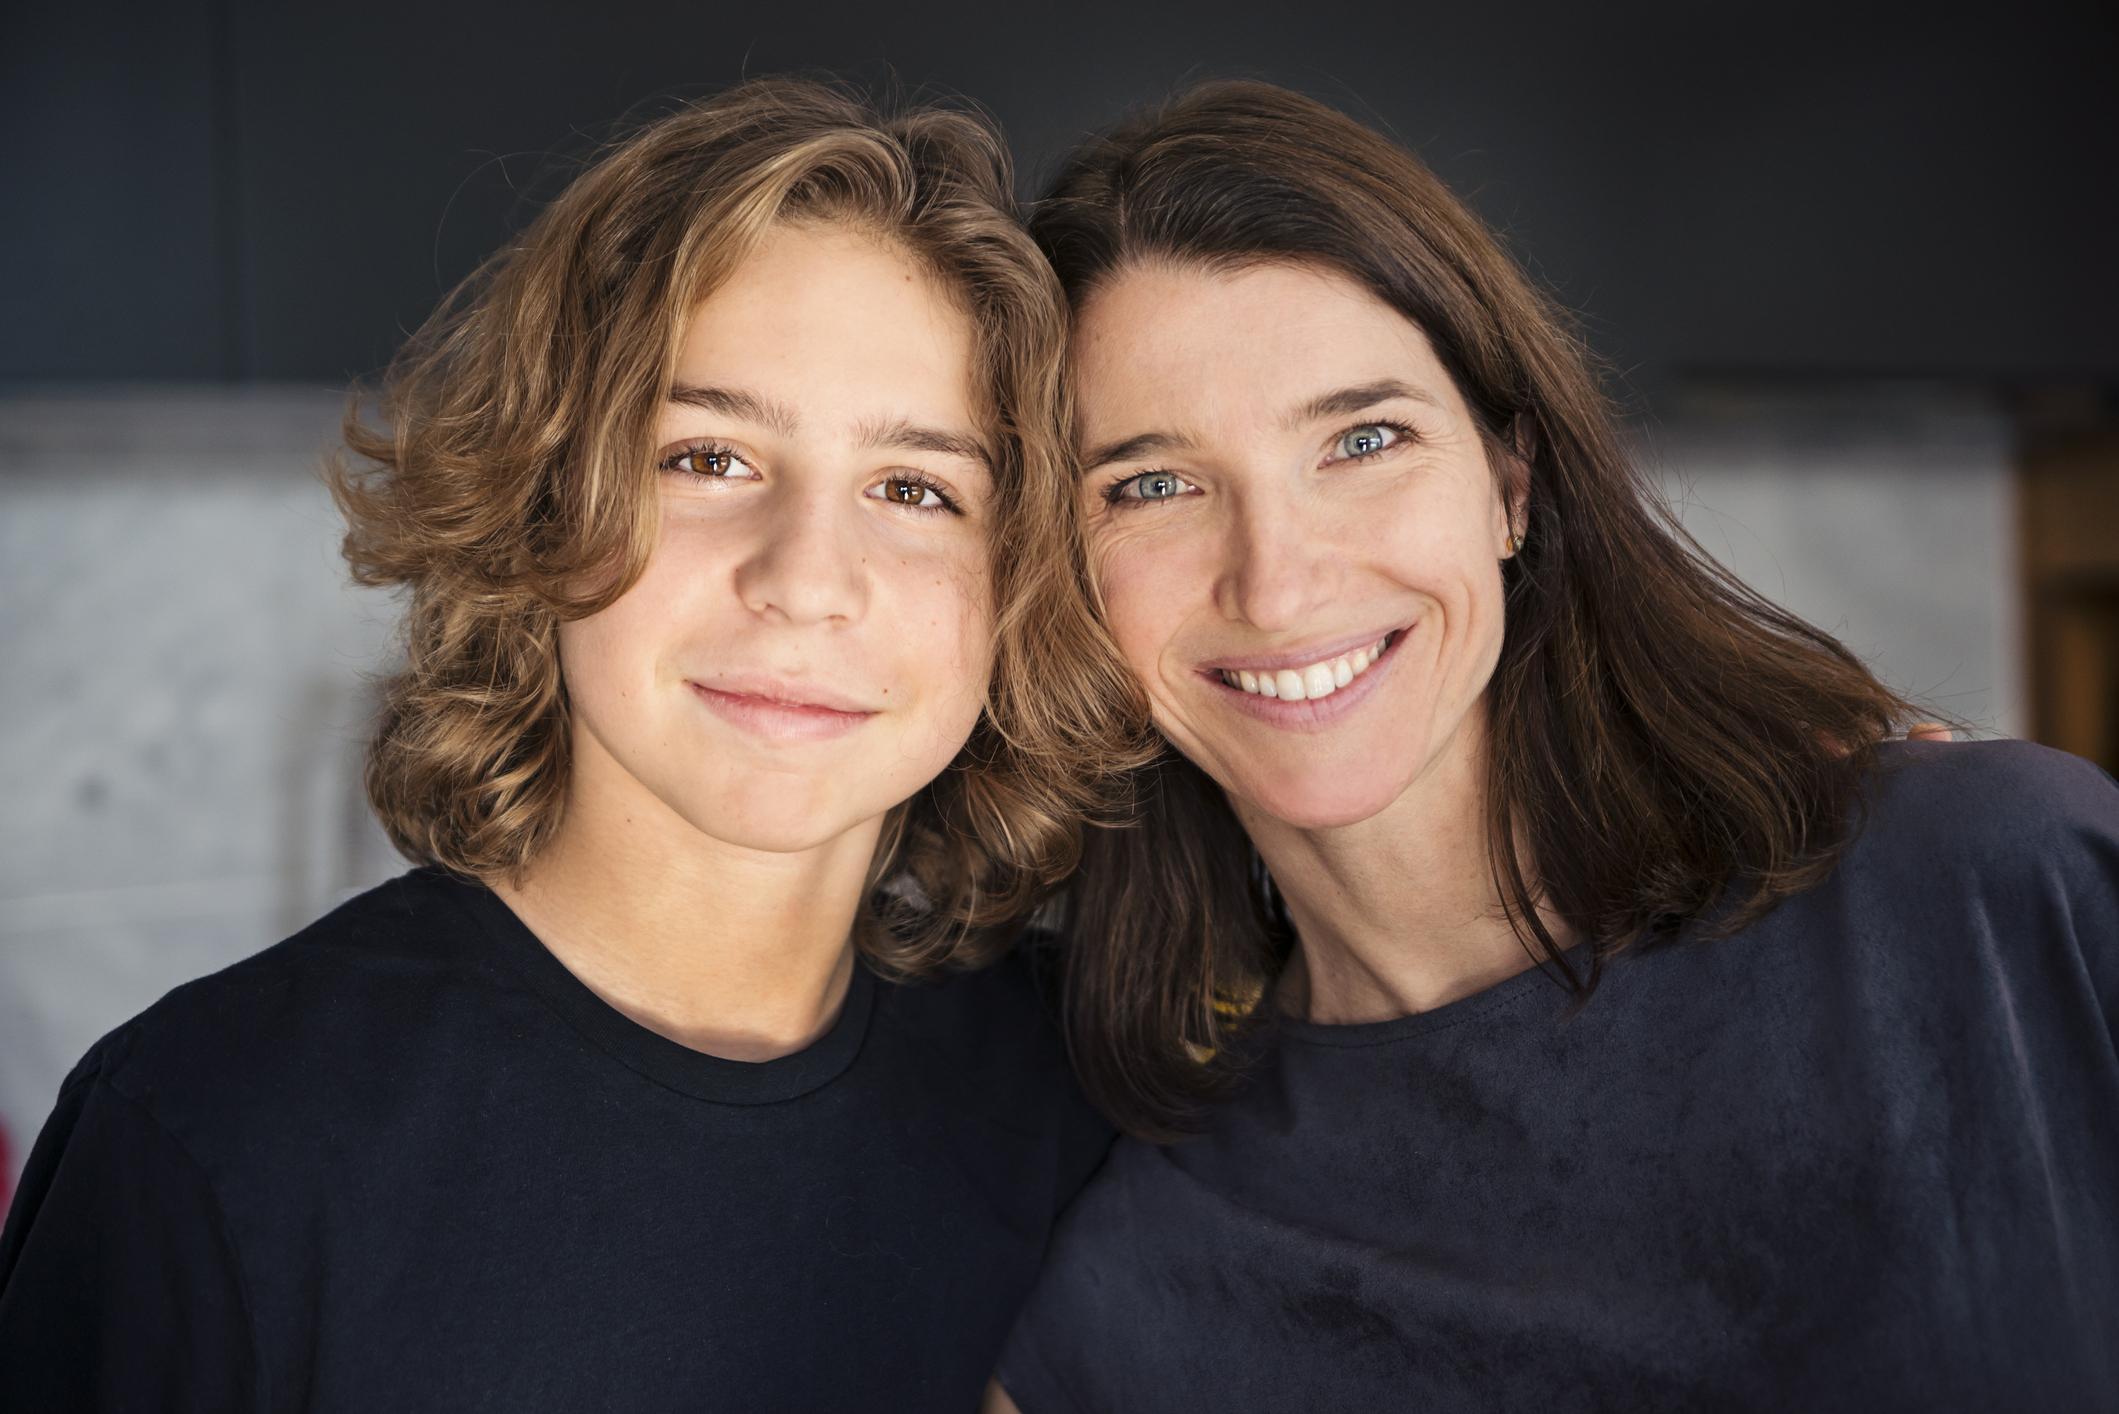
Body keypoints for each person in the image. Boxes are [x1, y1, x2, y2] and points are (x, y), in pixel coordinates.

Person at [0, 79, 1144, 1410]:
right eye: (707, 457)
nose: (806, 575)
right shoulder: (212, 1136)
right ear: (547, 494)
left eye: (915, 487)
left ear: (1018, 583)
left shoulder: (1085, 1103)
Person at [989, 83, 2119, 1412]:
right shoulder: (1132, 1268)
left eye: (1362, 439)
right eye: (1151, 485)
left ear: (1510, 485)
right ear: (1057, 571)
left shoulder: (1990, 889)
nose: (1277, 582)